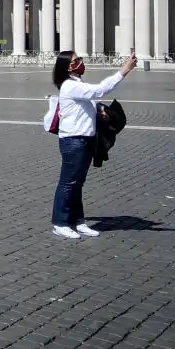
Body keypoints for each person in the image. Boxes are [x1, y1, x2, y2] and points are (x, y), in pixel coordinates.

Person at [47, 49, 138, 239]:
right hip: (73, 140)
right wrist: (123, 71)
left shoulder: (76, 84)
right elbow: (99, 90)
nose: (80, 62)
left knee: (77, 183)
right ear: (68, 67)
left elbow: (90, 102)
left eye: (79, 59)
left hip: (84, 138)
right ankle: (60, 222)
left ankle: (77, 221)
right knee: (68, 183)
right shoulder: (69, 86)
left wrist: (99, 112)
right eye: (76, 60)